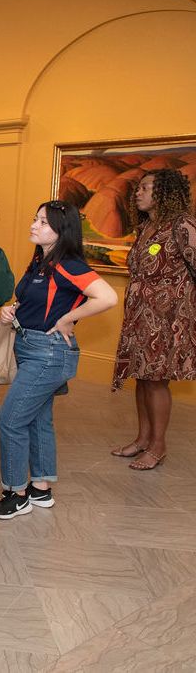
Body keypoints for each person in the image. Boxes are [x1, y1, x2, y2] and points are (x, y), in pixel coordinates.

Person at [0, 200, 117, 519]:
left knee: (11, 421)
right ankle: (40, 488)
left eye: (43, 222)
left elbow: (108, 297)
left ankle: (15, 494)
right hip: (33, 348)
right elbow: (37, 300)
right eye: (35, 219)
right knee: (37, 420)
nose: (34, 225)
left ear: (61, 230)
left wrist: (70, 317)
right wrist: (13, 309)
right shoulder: (42, 261)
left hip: (48, 354)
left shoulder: (69, 264)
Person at [112, 168, 196, 470]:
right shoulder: (146, 227)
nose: (138, 193)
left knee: (157, 381)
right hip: (140, 318)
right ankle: (142, 439)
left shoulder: (183, 224)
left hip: (167, 320)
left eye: (145, 188)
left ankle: (158, 446)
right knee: (143, 378)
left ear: (163, 193)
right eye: (138, 187)